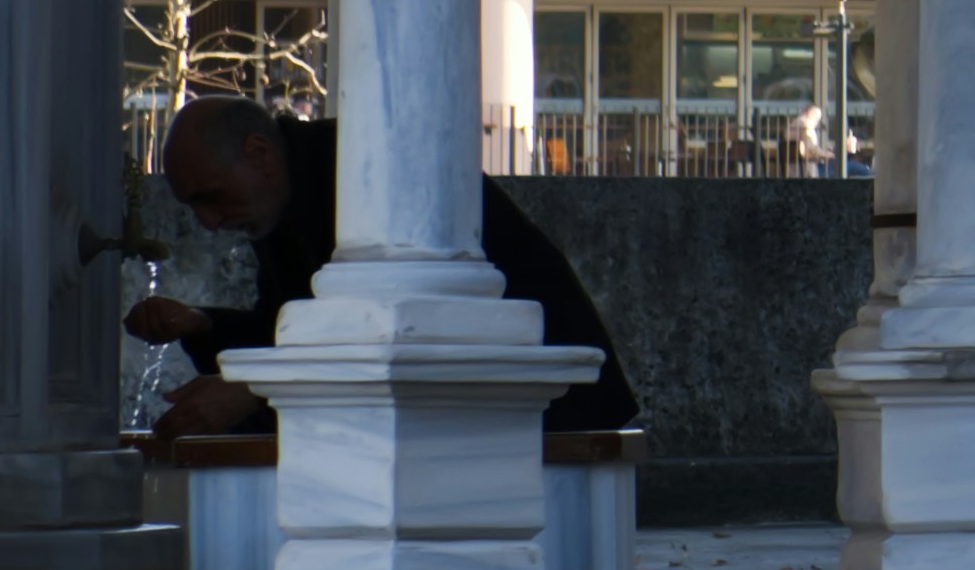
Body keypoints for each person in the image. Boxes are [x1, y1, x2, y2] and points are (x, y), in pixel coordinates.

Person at [129, 95, 642, 444]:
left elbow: (400, 321)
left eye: (212, 197)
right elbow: (295, 329)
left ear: (259, 154)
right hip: (487, 412)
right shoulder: (290, 195)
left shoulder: (369, 172)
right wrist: (204, 324)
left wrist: (254, 388)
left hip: (548, 413)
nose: (210, 222)